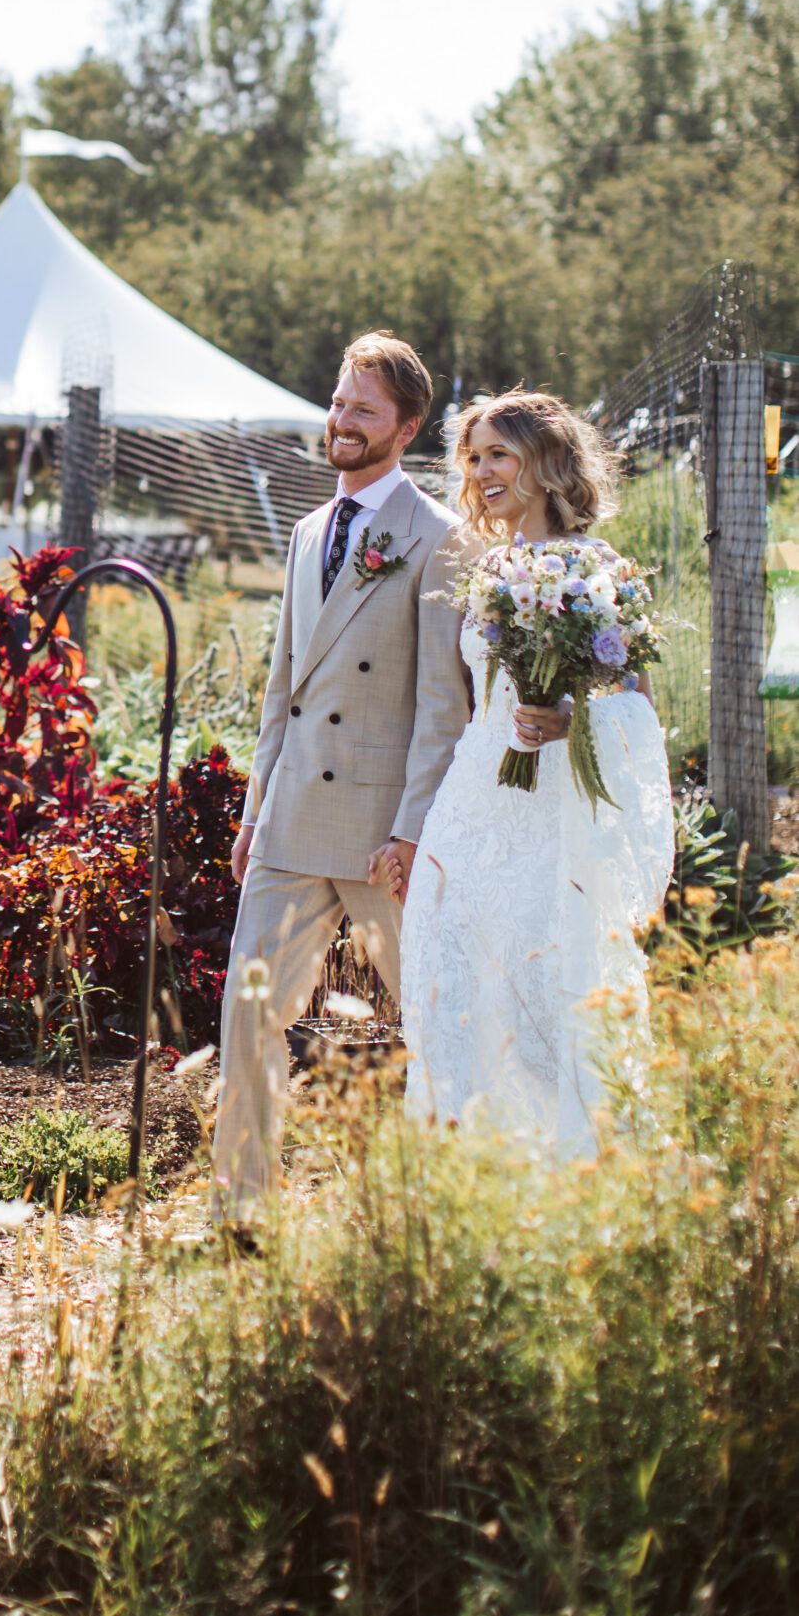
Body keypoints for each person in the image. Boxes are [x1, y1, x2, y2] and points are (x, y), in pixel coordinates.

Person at [212, 332, 471, 1216]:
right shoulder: (305, 530)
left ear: (405, 428)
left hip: (378, 837)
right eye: (336, 402)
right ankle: (241, 1206)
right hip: (289, 823)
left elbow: (442, 707)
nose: (341, 421)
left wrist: (409, 831)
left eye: (363, 409)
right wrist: (253, 813)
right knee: (247, 1007)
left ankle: (452, 1202)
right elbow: (281, 686)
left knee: (434, 1016)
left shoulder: (436, 538)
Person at [401, 393, 674, 1154]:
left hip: (557, 816)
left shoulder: (603, 568)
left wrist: (570, 722)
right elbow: (469, 702)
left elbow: (637, 705)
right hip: (473, 804)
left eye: (497, 454)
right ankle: (465, 1173)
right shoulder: (485, 567)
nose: (481, 472)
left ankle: (567, 1173)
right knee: (452, 977)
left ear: (545, 462)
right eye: (473, 457)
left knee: (550, 995)